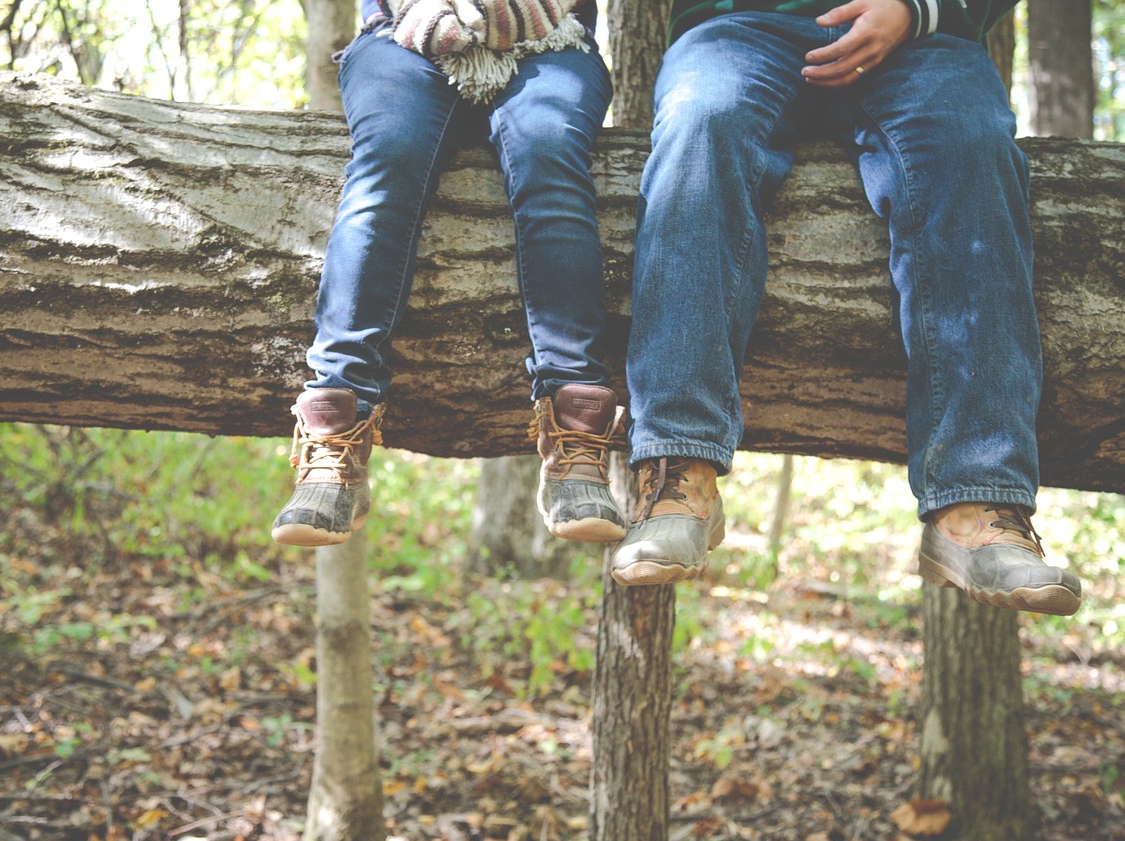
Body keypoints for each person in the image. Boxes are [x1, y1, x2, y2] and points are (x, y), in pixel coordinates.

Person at [608, 0, 1083, 616]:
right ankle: (678, 474)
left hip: (921, 39)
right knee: (702, 124)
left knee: (971, 147)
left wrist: (919, 10)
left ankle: (976, 505)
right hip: (738, 26)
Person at [273, 0, 626, 549]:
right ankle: (334, 430)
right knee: (388, 158)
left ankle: (576, 436)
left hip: (550, 42)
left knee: (549, 152)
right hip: (401, 35)